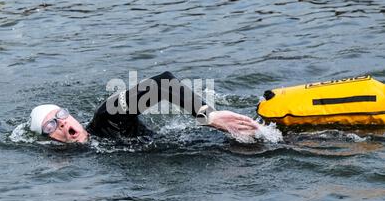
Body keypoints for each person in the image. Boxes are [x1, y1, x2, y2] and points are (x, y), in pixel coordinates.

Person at [29, 71, 260, 143]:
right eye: (51, 125)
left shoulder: (107, 117)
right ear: (49, 141)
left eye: (61, 115)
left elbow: (163, 83)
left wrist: (208, 116)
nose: (61, 123)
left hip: (213, 142)